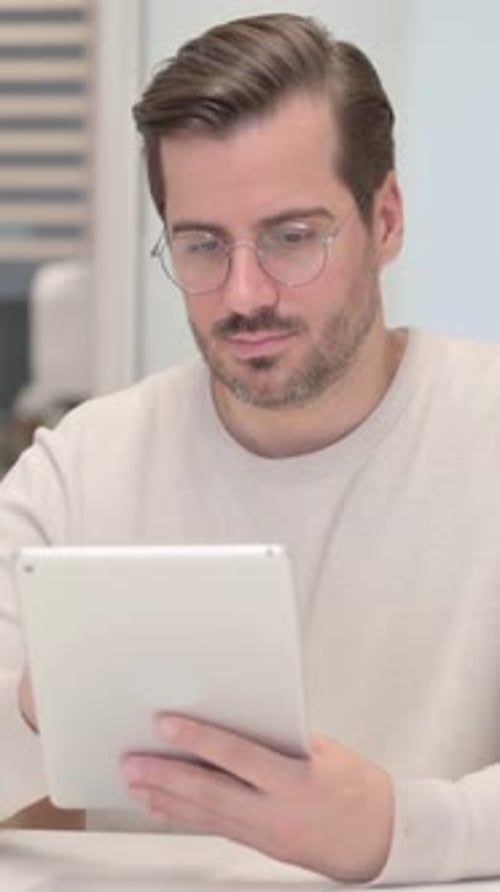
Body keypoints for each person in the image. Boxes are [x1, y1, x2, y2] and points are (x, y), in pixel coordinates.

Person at [1, 10, 500, 884]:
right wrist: (31, 708)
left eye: (291, 237)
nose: (244, 293)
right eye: (202, 245)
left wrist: (402, 829)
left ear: (385, 219)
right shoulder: (81, 470)